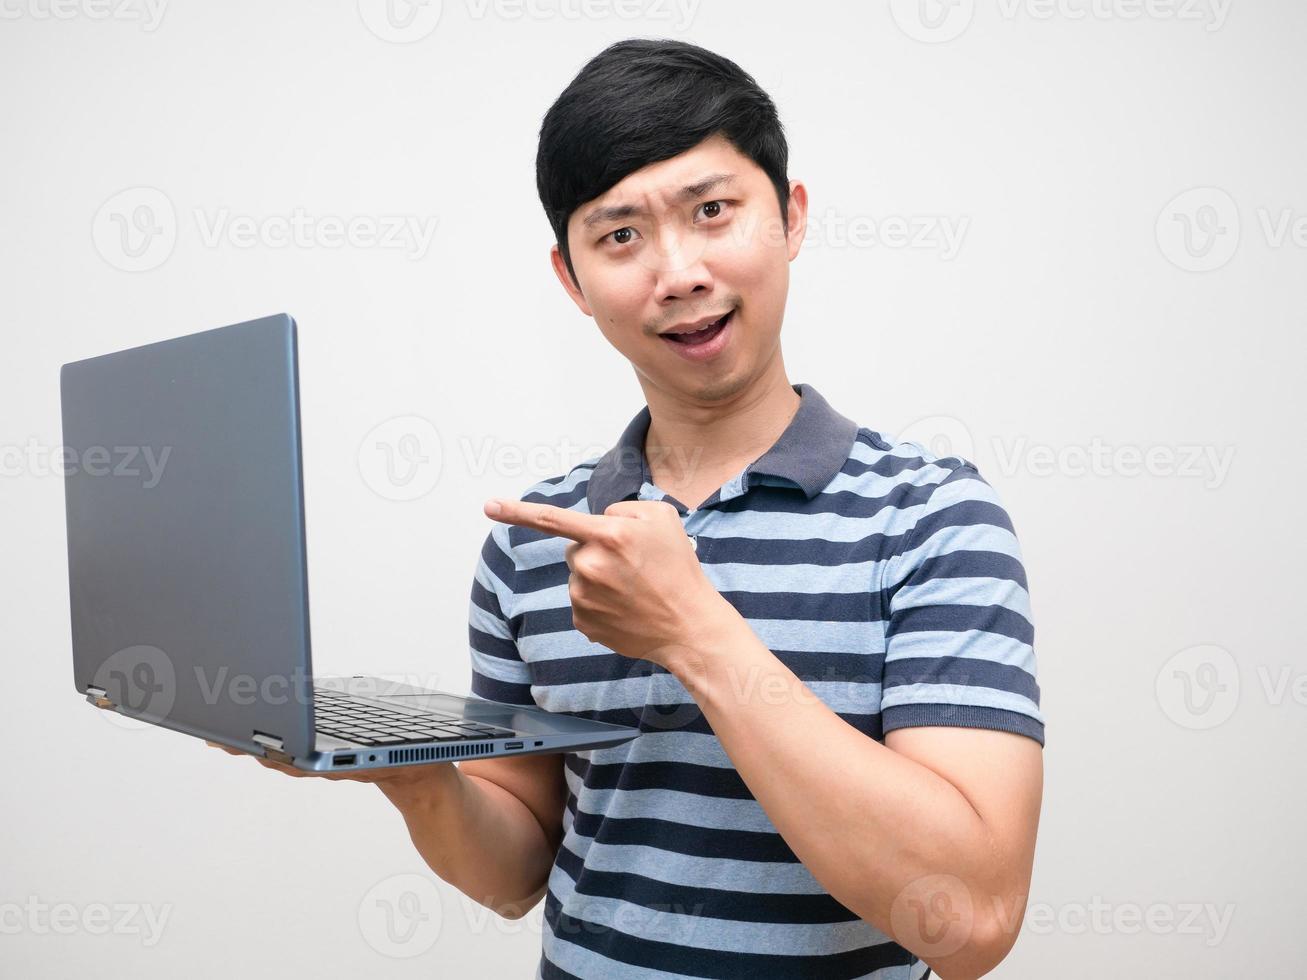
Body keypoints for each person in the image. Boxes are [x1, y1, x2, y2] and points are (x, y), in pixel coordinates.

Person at [217, 38, 1045, 980]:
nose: (679, 270)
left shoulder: (931, 516)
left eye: (713, 211)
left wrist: (695, 634)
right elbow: (517, 870)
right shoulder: (537, 542)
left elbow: (971, 921)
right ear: (571, 279)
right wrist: (418, 781)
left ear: (791, 217)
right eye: (620, 236)